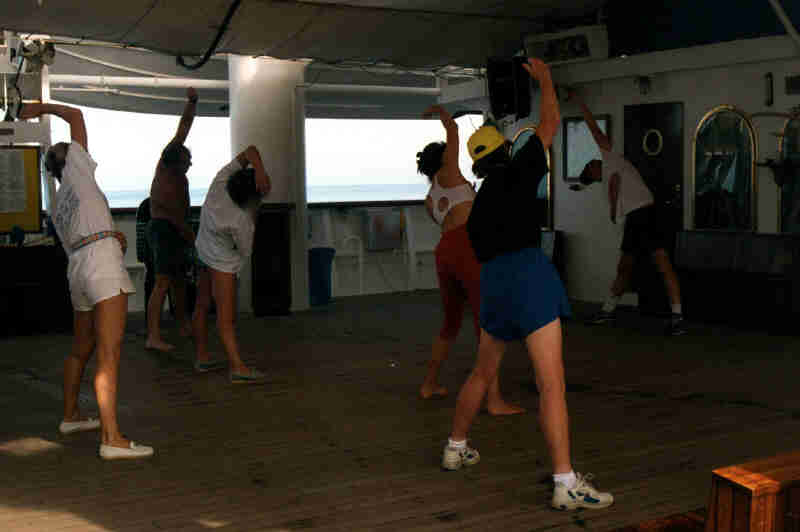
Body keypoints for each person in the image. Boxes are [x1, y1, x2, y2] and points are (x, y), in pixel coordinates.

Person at [440, 58, 613, 510]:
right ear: (504, 150)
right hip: (529, 277)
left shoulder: (477, 208)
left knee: (483, 371)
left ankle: (456, 447)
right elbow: (551, 121)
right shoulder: (523, 168)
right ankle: (565, 482)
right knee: (550, 384)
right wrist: (547, 81)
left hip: (494, 282)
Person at [20, 103, 153, 459]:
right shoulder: (79, 167)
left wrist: (112, 237)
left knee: (82, 348)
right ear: (72, 158)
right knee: (109, 354)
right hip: (102, 267)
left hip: (79, 269)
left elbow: (84, 235)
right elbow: (76, 115)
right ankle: (112, 439)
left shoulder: (61, 199)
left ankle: (71, 416)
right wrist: (39, 108)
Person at [417, 104, 523, 416]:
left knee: (450, 323)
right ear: (445, 158)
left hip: (444, 253)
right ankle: (493, 399)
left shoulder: (429, 199)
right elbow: (453, 131)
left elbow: (447, 227)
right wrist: (442, 114)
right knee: (486, 324)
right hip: (467, 247)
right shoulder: (450, 173)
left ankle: (429, 384)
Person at [570, 89, 686, 336]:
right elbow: (614, 212)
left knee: (663, 266)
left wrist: (581, 103)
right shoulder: (607, 179)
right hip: (636, 219)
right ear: (593, 175)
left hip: (647, 214)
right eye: (591, 166)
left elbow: (595, 131)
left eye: (592, 161)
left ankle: (677, 317)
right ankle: (608, 311)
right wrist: (612, 201)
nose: (594, 161)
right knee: (624, 268)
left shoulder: (611, 158)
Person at [191, 145, 271, 383]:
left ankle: (202, 356)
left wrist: (258, 170)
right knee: (226, 318)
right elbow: (246, 251)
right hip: (222, 262)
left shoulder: (221, 180)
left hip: (202, 249)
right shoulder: (241, 219)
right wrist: (255, 214)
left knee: (202, 305)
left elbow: (250, 151)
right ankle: (237, 367)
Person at [145, 87, 198, 351]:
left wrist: (185, 231)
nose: (190, 163)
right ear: (177, 159)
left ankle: (184, 324)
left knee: (178, 281)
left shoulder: (180, 177)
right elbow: (184, 127)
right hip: (164, 228)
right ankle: (152, 335)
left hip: (175, 229)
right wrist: (192, 101)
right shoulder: (167, 166)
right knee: (163, 281)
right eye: (188, 159)